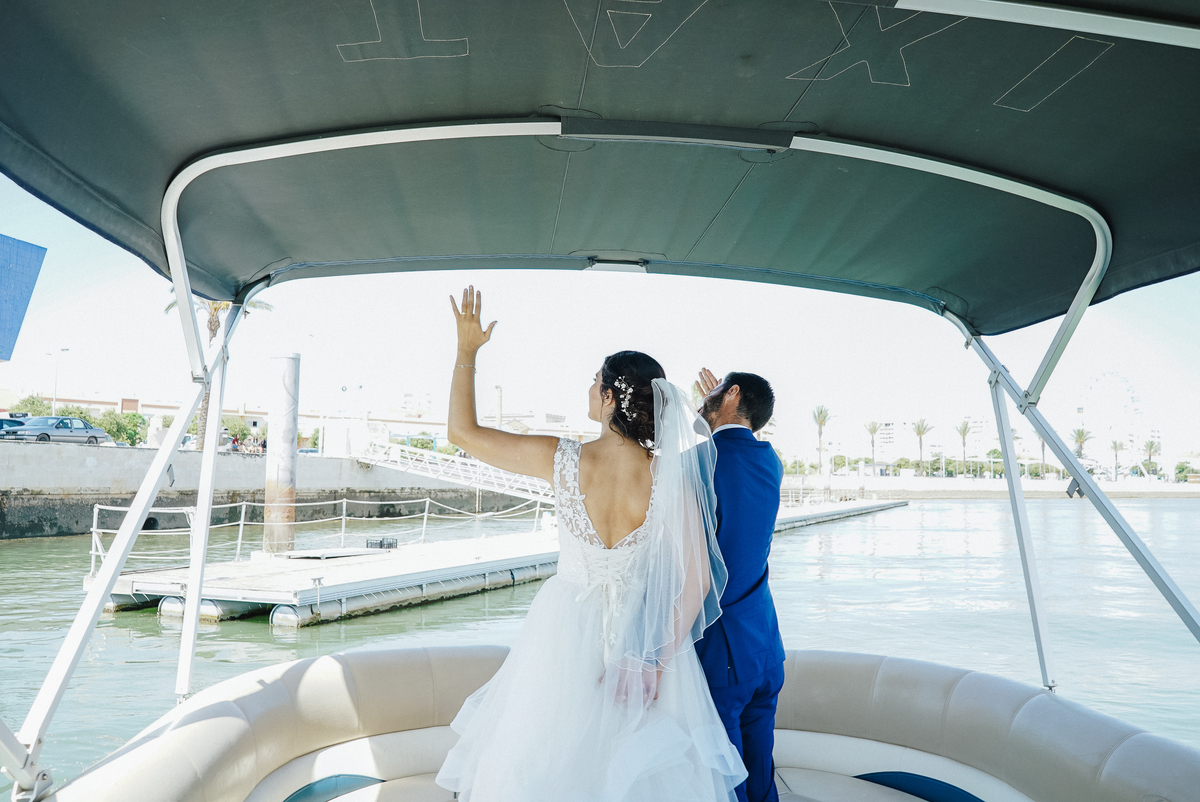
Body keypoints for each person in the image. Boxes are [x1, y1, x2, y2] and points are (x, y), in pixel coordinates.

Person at [435, 287, 746, 801]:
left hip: (561, 632)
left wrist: (467, 352)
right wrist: (651, 661)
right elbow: (698, 580)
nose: (588, 387)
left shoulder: (560, 459)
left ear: (608, 398)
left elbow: (461, 432)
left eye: (594, 380)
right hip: (641, 636)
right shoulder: (668, 475)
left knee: (545, 761)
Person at [693, 369, 786, 802]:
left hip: (723, 650)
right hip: (765, 644)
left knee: (727, 777)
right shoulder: (770, 460)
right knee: (760, 766)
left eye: (715, 391)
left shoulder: (699, 461)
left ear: (732, 394)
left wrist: (707, 414)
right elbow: (734, 466)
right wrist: (716, 406)